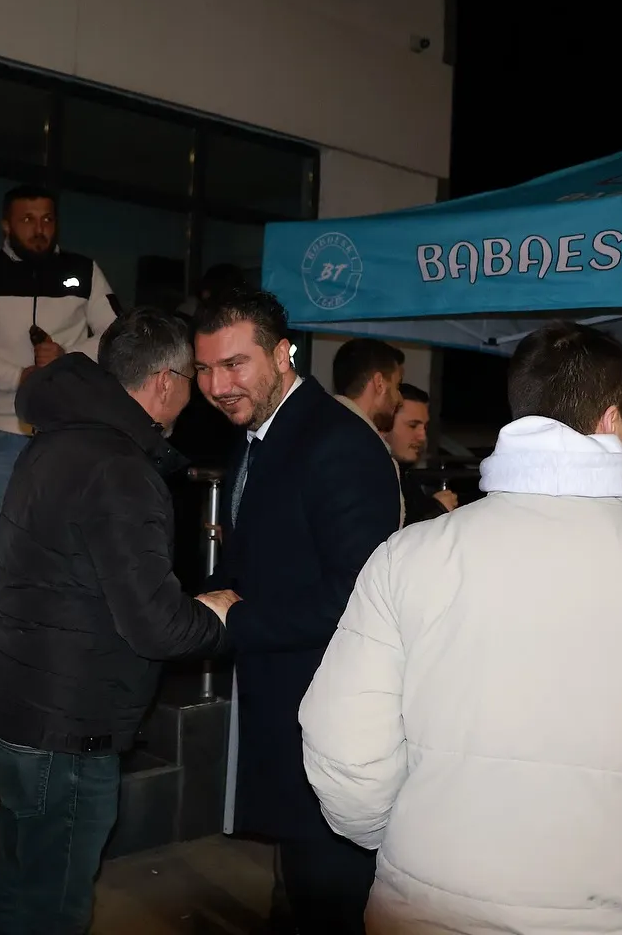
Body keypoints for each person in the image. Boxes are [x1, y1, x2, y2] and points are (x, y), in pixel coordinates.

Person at [299, 322, 622, 935]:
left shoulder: (408, 557)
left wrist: (397, 833)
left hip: (423, 911)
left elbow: (342, 744)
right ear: (614, 419)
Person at [0, 307, 234, 935]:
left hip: (16, 702)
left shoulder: (57, 438)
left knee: (18, 884)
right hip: (66, 724)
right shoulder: (120, 469)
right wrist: (217, 616)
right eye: (194, 376)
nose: (200, 391)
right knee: (53, 907)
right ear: (165, 382)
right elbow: (156, 625)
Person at [193, 288, 401, 935]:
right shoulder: (259, 433)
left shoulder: (337, 442)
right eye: (204, 369)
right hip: (285, 716)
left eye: (235, 364)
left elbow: (358, 597)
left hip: (331, 723)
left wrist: (237, 619)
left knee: (330, 898)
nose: (217, 386)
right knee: (301, 895)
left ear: (284, 353)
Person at [0, 185, 119, 543]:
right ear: (6, 225)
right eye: (28, 220)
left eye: (47, 219)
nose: (39, 229)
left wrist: (67, 357)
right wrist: (18, 377)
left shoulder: (83, 270)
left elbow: (118, 335)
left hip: (68, 433)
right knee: (9, 550)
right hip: (4, 432)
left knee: (68, 548)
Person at [332, 337, 407, 526]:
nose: (400, 399)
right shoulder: (365, 451)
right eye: (397, 386)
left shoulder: (321, 428)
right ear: (380, 383)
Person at [384, 383, 457, 524]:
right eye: (412, 425)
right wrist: (437, 509)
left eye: (425, 427)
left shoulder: (406, 477)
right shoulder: (375, 478)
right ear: (385, 423)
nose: (422, 437)